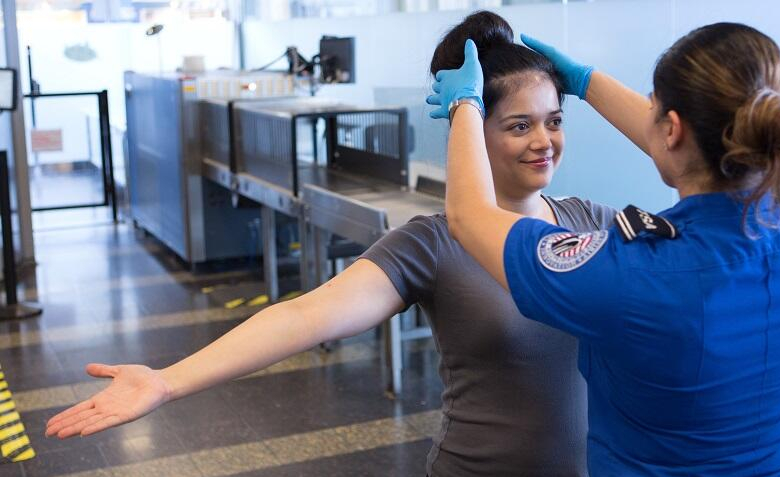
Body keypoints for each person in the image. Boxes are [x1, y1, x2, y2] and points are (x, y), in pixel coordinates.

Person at [46, 12, 614, 477]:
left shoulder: (590, 223)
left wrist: (594, 83)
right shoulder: (432, 244)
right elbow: (305, 317)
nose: (545, 141)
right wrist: (168, 381)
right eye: (520, 125)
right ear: (470, 126)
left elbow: (697, 216)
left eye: (555, 121)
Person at [428, 22, 780, 476]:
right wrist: (587, 82)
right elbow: (744, 169)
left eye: (654, 109)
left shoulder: (632, 273)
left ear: (673, 129)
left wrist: (465, 105)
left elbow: (470, 217)